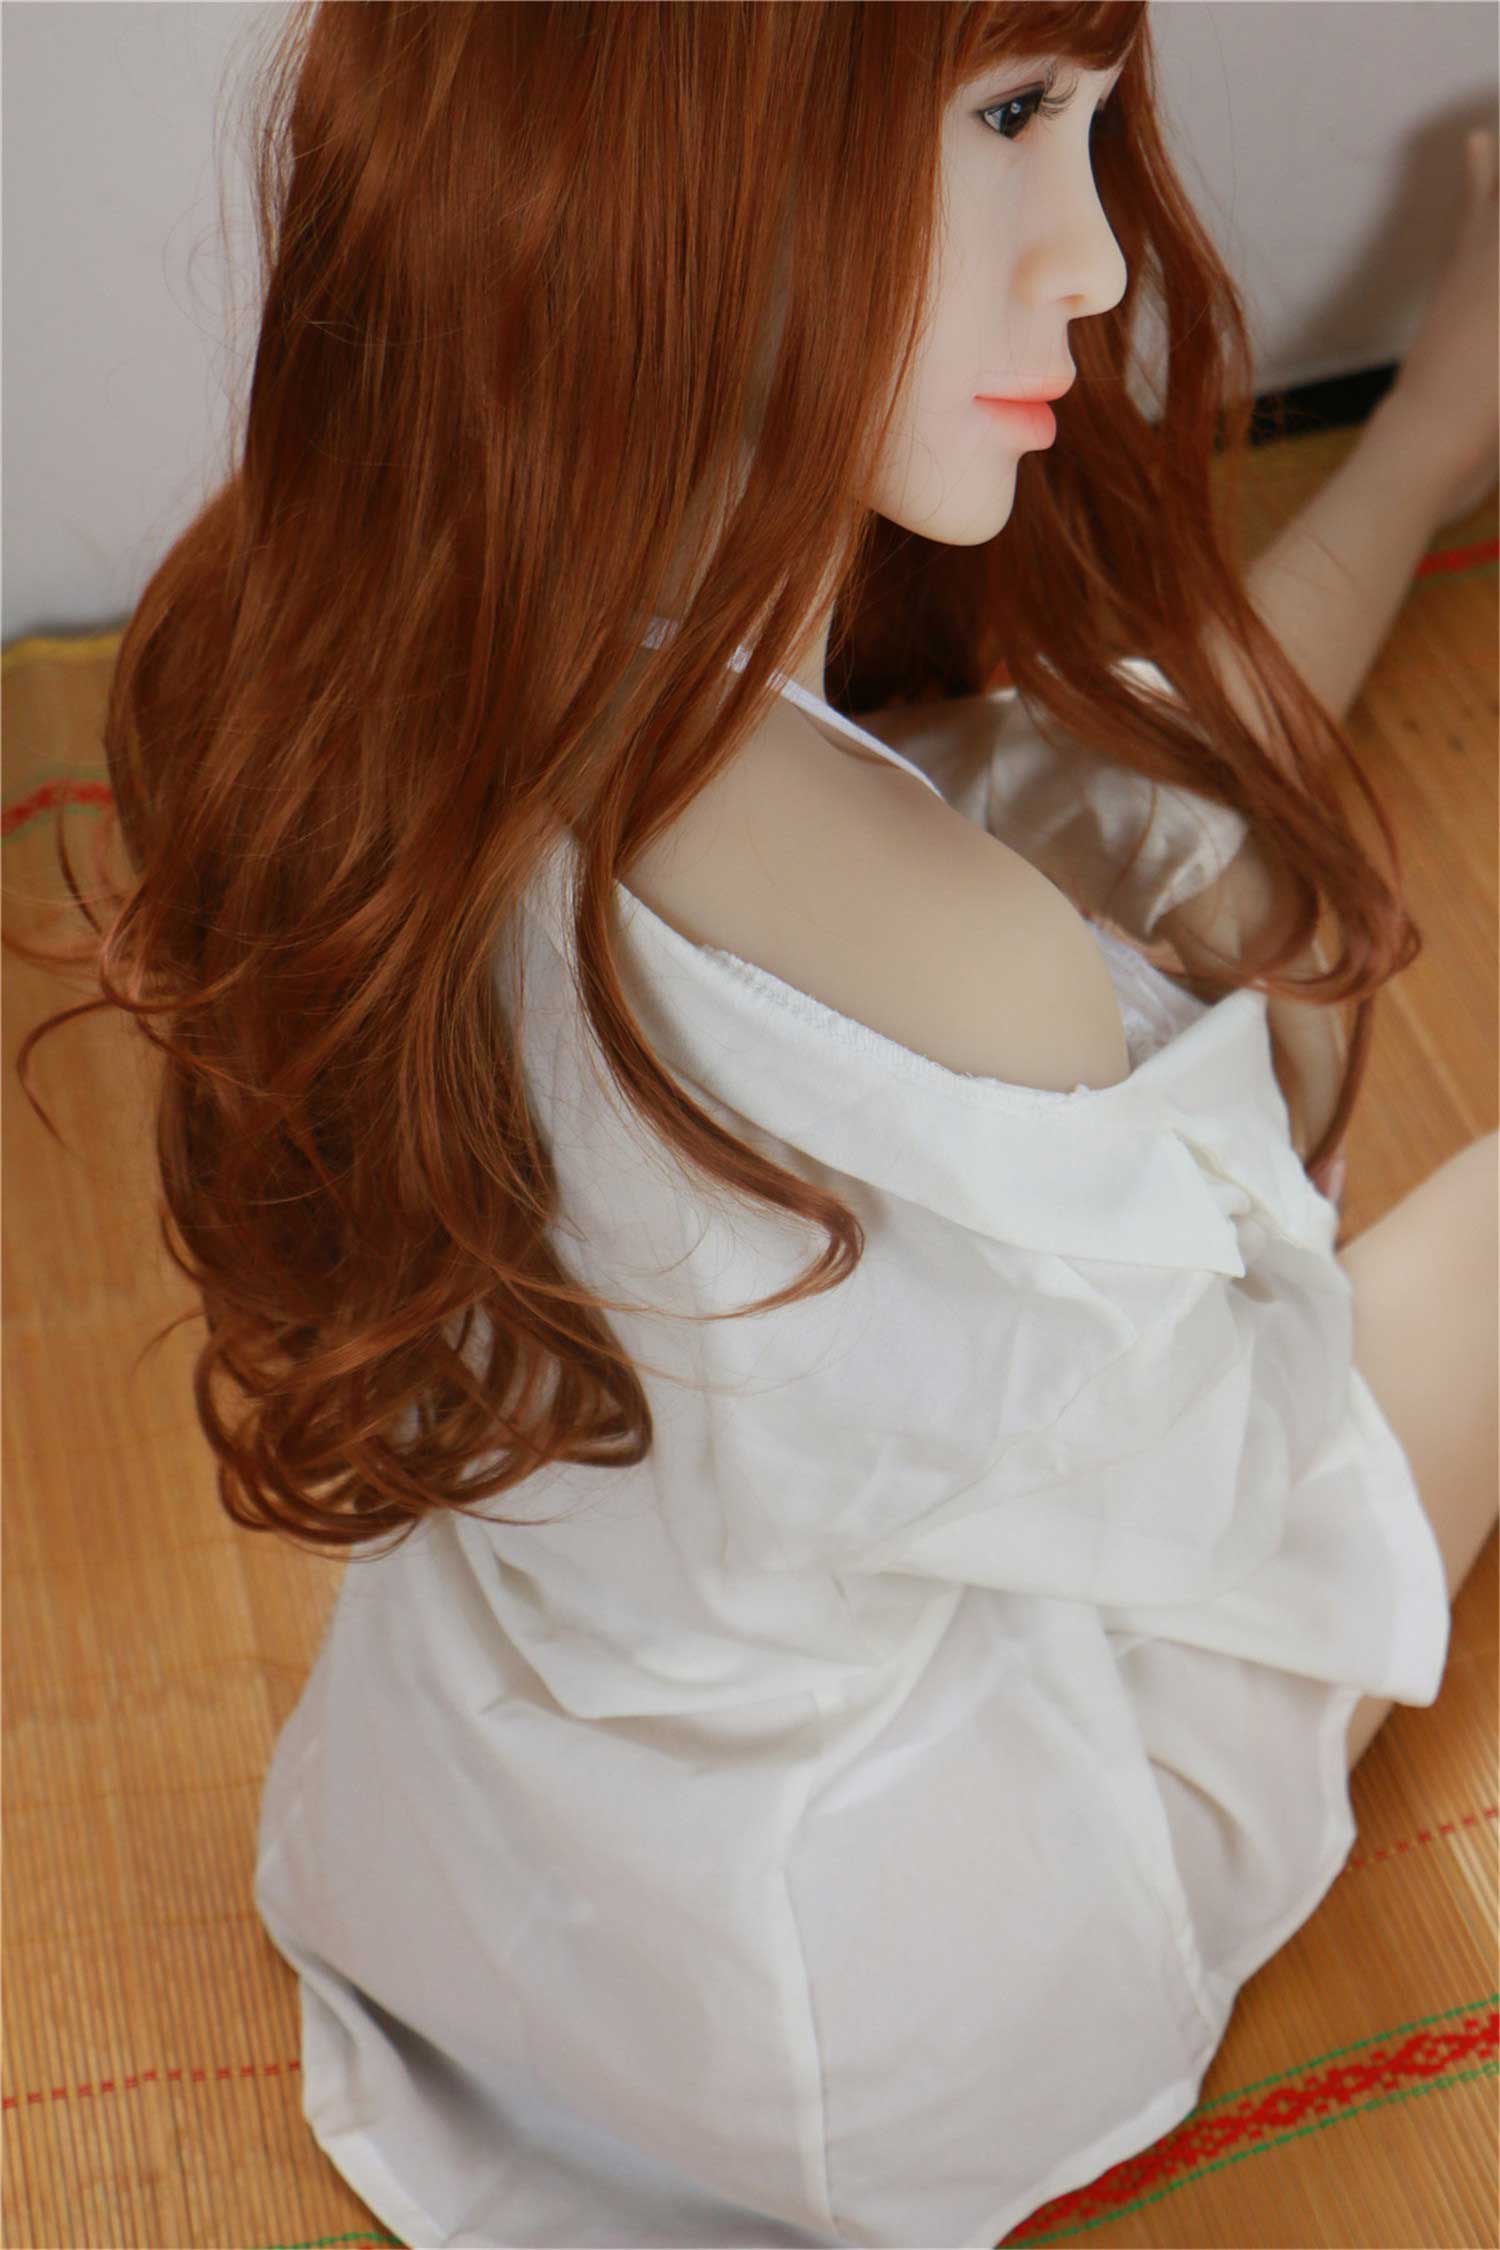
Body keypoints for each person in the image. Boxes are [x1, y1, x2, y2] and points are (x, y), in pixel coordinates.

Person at [25, 6, 1494, 2245]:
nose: (1097, 258)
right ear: (668, 144)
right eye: (1011, 117)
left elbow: (1109, 805)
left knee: (1144, 828)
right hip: (882, 1998)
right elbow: (1236, 1472)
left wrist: (1402, 457)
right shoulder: (952, 947)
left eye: (1090, 123)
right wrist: (1263, 1055)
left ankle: (1443, 421)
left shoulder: (377, 656)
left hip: (462, 1863)